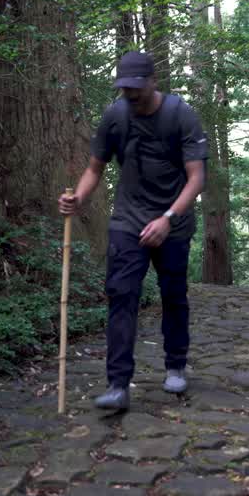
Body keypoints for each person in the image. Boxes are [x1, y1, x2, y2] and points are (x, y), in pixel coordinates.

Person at [58, 51, 207, 411]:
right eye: (125, 89)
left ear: (154, 81)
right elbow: (96, 167)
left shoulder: (180, 114)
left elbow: (197, 178)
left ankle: (175, 363)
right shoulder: (115, 115)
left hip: (173, 221)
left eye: (137, 88)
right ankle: (118, 383)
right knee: (122, 294)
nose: (131, 95)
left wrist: (168, 217)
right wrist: (78, 196)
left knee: (173, 294)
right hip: (128, 220)